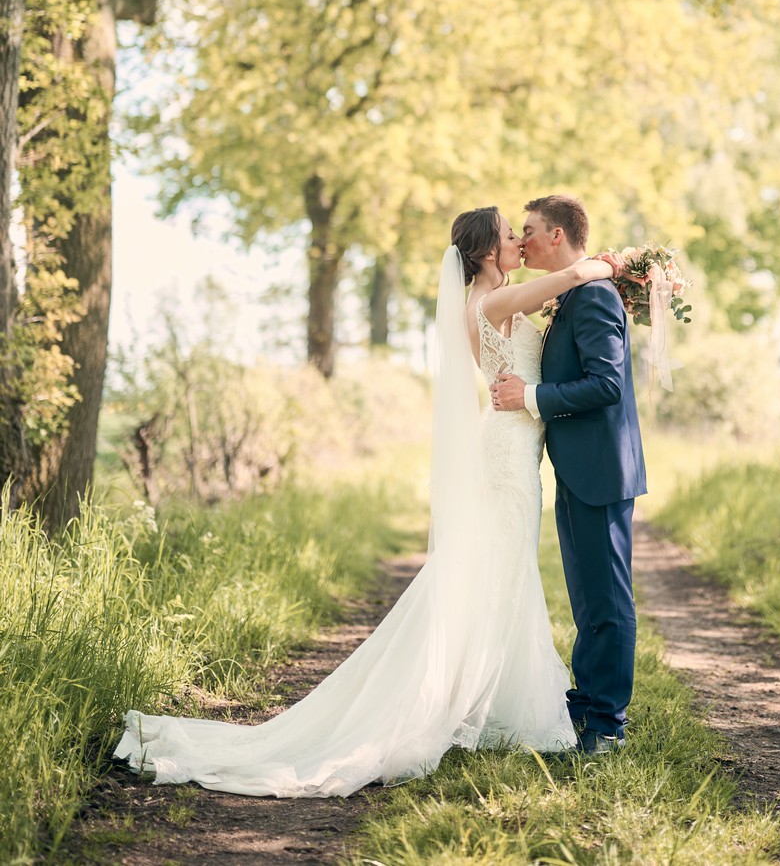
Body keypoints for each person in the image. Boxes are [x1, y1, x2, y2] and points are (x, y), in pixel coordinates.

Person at [113, 206, 614, 797]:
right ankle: (461, 706)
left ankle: (490, 702)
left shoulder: (503, 299)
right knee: (496, 572)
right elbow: (568, 279)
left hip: (513, 445)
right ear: (484, 254)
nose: (517, 242)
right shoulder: (486, 303)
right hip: (506, 453)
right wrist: (612, 265)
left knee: (501, 575)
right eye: (510, 236)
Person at [491, 194, 646, 754]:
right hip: (577, 470)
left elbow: (607, 386)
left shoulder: (595, 297)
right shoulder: (569, 297)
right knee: (586, 598)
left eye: (529, 229)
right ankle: (586, 703)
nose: (524, 239)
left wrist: (530, 396)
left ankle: (608, 724)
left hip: (602, 470)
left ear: (557, 236)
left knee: (606, 599)